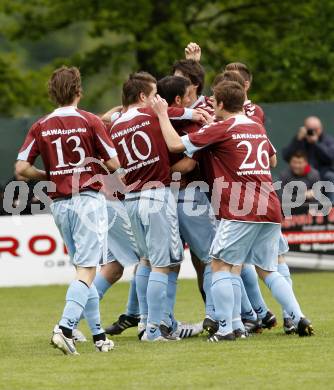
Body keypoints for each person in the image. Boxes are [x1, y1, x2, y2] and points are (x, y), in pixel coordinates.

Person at [151, 80, 314, 341]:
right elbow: (272, 159)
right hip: (269, 205)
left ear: (223, 104)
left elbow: (173, 145)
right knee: (268, 269)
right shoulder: (255, 126)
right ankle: (297, 315)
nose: (211, 104)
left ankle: (227, 329)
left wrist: (161, 114)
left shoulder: (221, 128)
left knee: (219, 265)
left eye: (214, 100)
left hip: (242, 208)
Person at [15, 66, 121, 354]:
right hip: (87, 199)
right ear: (79, 90)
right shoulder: (90, 121)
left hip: (60, 204)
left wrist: (48, 174)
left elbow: (21, 169)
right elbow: (113, 163)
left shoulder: (40, 125)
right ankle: (64, 328)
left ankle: (99, 336)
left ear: (52, 92)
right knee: (88, 271)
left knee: (81, 272)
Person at [109, 72, 205, 342]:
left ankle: (152, 324)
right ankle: (154, 329)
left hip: (132, 199)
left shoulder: (115, 126)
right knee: (162, 266)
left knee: (147, 262)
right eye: (154, 96)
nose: (158, 101)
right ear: (142, 97)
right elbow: (174, 119)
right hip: (157, 195)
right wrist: (189, 114)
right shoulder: (151, 116)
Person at [157, 75, 216, 337]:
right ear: (180, 99)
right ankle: (218, 317)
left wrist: (155, 173)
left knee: (164, 264)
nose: (195, 100)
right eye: (190, 95)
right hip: (189, 196)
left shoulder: (151, 119)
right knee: (214, 260)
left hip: (160, 198)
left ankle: (159, 322)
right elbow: (190, 164)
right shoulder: (192, 121)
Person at [282, 116, 334, 202]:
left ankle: (332, 208)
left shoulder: (328, 140)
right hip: (302, 174)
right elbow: (287, 156)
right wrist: (297, 140)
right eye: (310, 129)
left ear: (321, 129)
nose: (312, 132)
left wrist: (316, 143)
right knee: (285, 176)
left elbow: (330, 158)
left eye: (315, 129)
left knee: (331, 177)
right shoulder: (300, 139)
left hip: (322, 173)